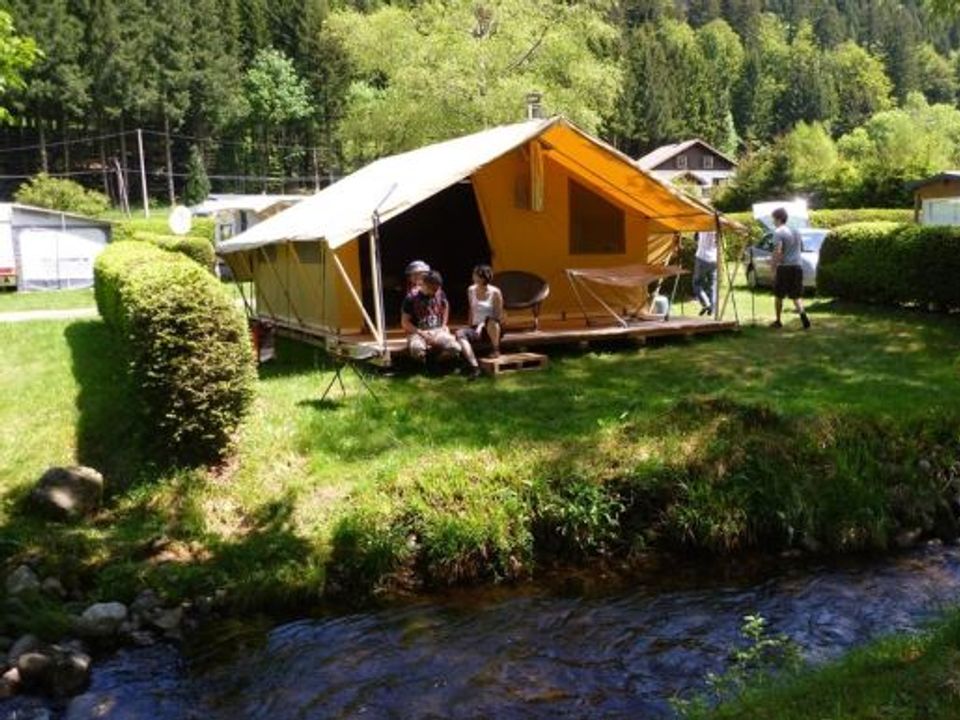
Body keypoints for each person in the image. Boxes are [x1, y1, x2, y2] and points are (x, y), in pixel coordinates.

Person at [401, 270, 461, 363]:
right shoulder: (411, 297)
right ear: (424, 284)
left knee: (455, 347)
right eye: (433, 289)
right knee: (417, 349)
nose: (435, 292)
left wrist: (444, 325)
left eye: (437, 289)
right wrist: (421, 333)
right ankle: (423, 366)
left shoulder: (440, 293)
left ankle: (437, 363)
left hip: (437, 331)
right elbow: (405, 322)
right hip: (418, 333)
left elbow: (446, 305)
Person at [456, 264, 504, 378]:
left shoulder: (495, 292)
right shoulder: (471, 290)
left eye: (475, 275)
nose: (473, 276)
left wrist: (482, 325)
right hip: (476, 328)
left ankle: (496, 350)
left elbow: (498, 316)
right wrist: (469, 326)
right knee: (459, 333)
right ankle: (474, 366)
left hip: (492, 329)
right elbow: (471, 310)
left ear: (482, 278)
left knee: (492, 321)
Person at [770, 207, 811, 330]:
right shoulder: (796, 231)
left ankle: (778, 321)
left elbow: (778, 251)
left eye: (773, 219)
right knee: (796, 296)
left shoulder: (778, 232)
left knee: (779, 295)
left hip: (784, 267)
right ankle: (804, 318)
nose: (773, 221)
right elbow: (800, 247)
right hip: (797, 266)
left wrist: (773, 266)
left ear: (778, 219)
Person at [692, 230, 717, 317]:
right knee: (712, 285)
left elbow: (695, 238)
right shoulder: (717, 227)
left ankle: (706, 304)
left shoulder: (702, 226)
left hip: (702, 257)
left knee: (697, 284)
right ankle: (712, 308)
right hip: (714, 259)